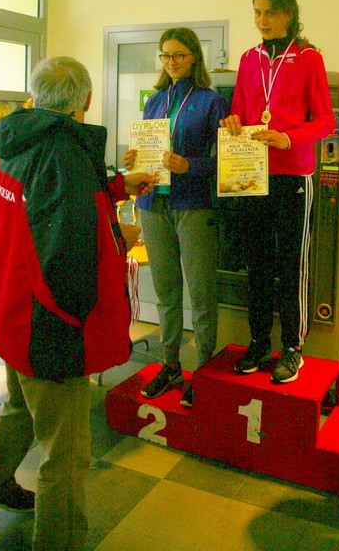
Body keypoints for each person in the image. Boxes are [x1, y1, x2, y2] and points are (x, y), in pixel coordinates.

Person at [0, 56, 156, 551]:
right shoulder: (65, 153)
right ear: (87, 100)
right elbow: (68, 256)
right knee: (67, 454)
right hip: (50, 327)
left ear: (34, 97)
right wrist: (118, 242)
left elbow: (51, 209)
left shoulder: (20, 140)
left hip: (14, 310)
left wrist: (117, 187)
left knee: (19, 406)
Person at [222, 0, 335, 384]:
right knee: (257, 263)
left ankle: (292, 347)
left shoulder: (308, 57)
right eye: (257, 12)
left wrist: (288, 138)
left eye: (270, 12)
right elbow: (239, 110)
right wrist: (233, 121)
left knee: (291, 264)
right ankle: (257, 342)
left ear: (289, 13)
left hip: (293, 175)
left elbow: (326, 121)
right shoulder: (248, 58)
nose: (262, 20)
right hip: (252, 174)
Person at [125, 27, 227, 407]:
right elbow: (145, 150)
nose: (171, 62)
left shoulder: (211, 102)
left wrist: (191, 165)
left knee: (200, 294)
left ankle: (203, 371)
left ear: (194, 57)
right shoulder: (154, 101)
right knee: (167, 293)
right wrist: (132, 159)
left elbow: (228, 163)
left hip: (193, 206)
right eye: (165, 55)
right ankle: (170, 365)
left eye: (178, 55)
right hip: (154, 206)